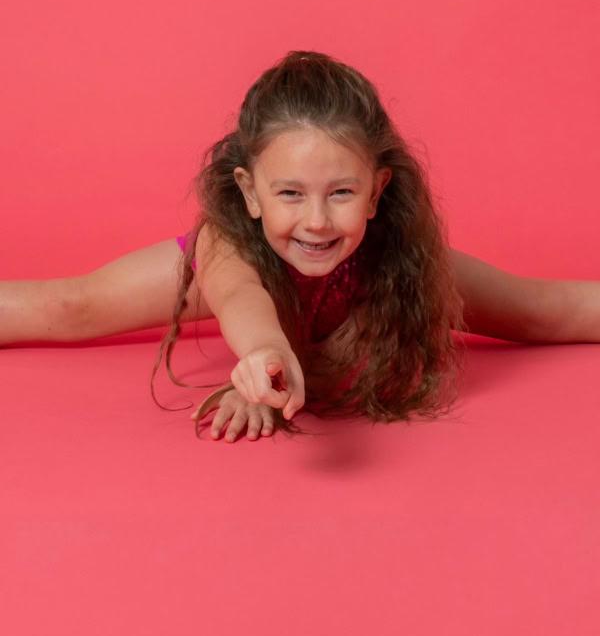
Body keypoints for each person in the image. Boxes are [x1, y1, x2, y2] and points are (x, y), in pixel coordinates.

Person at [3, 51, 598, 442]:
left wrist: (275, 383)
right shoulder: (227, 244)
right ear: (250, 191)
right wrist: (265, 358)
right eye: (290, 193)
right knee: (71, 305)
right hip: (247, 264)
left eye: (341, 192)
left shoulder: (401, 256)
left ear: (376, 191)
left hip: (366, 272)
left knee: (541, 312)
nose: (316, 221)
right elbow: (240, 298)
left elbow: (554, 311)